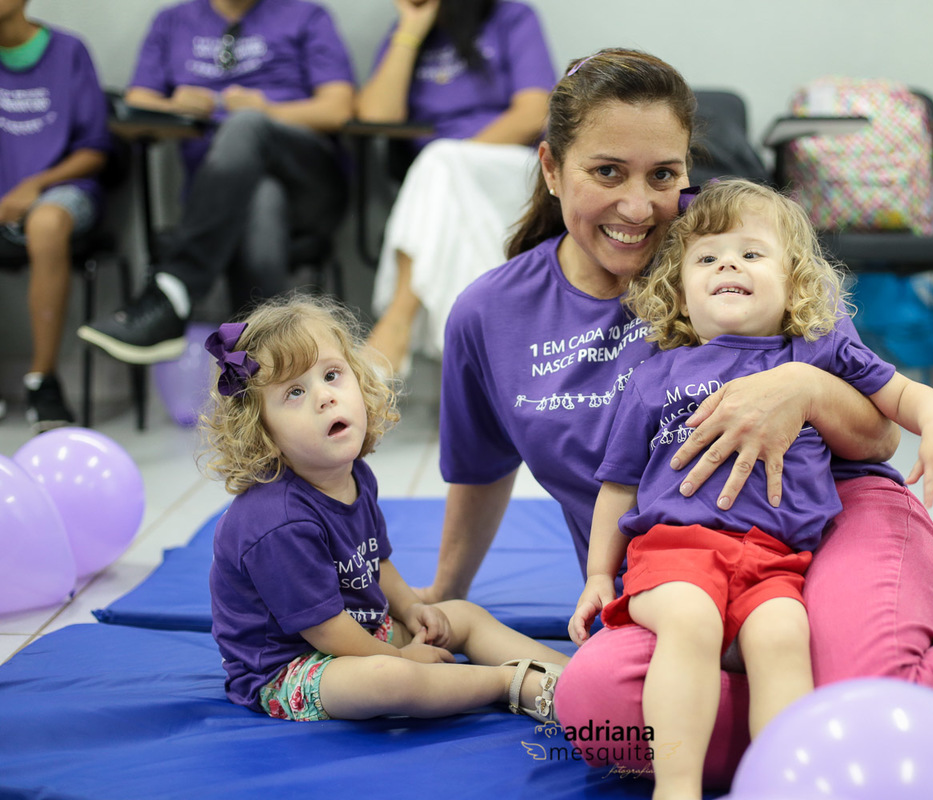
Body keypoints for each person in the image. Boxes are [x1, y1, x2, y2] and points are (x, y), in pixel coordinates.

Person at [425, 48, 933, 795]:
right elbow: (481, 470)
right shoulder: (491, 314)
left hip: (834, 518)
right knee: (597, 711)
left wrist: (803, 388)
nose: (638, 206)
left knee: (844, 674)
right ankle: (926, 704)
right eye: (607, 172)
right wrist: (436, 605)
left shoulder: (738, 246)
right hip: (682, 573)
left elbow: (880, 433)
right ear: (553, 170)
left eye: (664, 175)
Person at [568, 178, 933, 799]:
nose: (728, 263)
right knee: (693, 622)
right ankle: (676, 786)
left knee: (784, 635)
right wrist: (600, 574)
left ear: (796, 284)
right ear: (678, 292)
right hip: (677, 550)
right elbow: (619, 486)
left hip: (776, 560)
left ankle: (785, 781)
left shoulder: (817, 348)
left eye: (752, 254)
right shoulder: (655, 375)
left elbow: (901, 398)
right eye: (707, 258)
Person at [199, 293, 568, 723]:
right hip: (290, 667)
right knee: (389, 679)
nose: (324, 397)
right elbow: (325, 630)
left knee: (462, 615)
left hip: (359, 629)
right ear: (262, 431)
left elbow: (376, 561)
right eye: (295, 392)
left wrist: (412, 609)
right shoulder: (277, 522)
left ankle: (575, 674)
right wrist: (405, 659)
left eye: (332, 375)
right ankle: (514, 684)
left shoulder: (354, 475)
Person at [77, 0, 354, 365]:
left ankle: (174, 290)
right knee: (260, 198)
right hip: (225, 196)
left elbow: (338, 108)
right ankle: (260, 370)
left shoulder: (306, 15)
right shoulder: (173, 21)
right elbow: (137, 102)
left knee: (246, 125)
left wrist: (265, 110)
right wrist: (175, 104)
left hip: (308, 185)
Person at [356, 0, 555, 376]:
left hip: (511, 170)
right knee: (447, 192)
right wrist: (410, 31)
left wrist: (456, 158)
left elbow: (533, 110)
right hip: (437, 188)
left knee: (441, 162)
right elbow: (375, 115)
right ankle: (478, 369)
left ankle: (396, 324)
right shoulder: (413, 31)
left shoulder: (512, 17)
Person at [0, 0, 109, 430]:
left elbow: (95, 148)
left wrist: (34, 186)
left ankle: (43, 381)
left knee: (45, 223)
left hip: (62, 194)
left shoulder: (68, 52)